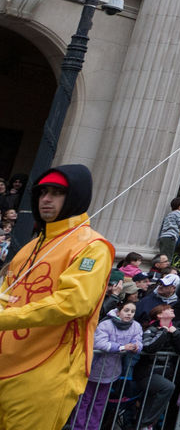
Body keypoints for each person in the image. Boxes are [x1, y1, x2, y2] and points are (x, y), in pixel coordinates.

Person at [0, 165, 114, 430]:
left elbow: (72, 303)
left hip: (46, 371)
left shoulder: (93, 247)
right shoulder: (31, 245)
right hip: (8, 362)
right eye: (43, 193)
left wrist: (4, 318)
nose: (46, 200)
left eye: (57, 193)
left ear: (74, 196)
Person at [78, 303, 143, 430]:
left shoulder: (136, 326)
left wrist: (136, 347)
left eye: (132, 311)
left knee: (100, 402)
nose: (129, 313)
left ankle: (93, 427)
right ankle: (78, 427)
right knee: (84, 401)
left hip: (112, 371)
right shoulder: (106, 324)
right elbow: (99, 343)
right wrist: (122, 347)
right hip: (94, 368)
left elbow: (139, 340)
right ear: (118, 312)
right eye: (126, 310)